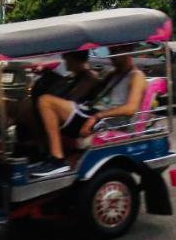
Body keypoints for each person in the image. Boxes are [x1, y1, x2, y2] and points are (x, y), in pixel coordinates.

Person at [28, 46, 147, 178]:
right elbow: (96, 91)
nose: (112, 56)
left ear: (129, 50)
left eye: (116, 52)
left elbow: (130, 108)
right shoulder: (113, 74)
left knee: (46, 101)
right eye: (111, 52)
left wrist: (96, 116)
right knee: (33, 107)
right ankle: (43, 154)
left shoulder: (136, 76)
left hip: (105, 121)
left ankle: (57, 159)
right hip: (90, 113)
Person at [7, 51, 104, 150]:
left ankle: (42, 146)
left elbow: (72, 98)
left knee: (34, 108)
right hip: (64, 110)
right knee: (26, 105)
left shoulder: (89, 78)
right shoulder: (73, 76)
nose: (65, 61)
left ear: (73, 59)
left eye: (66, 58)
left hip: (76, 116)